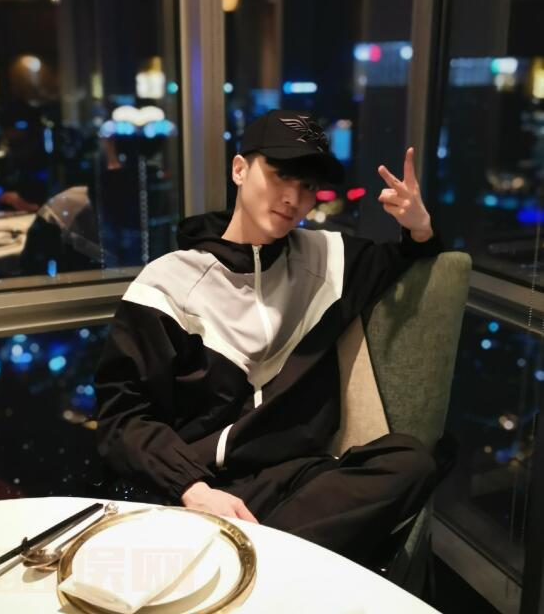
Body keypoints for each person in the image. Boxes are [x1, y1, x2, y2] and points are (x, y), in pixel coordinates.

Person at [94, 109, 444, 568]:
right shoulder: (168, 283)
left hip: (300, 480)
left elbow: (405, 256)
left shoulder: (327, 259)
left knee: (412, 461)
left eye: (307, 186)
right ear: (240, 169)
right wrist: (192, 488)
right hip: (204, 485)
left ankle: (247, 561)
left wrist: (419, 225)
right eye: (281, 174)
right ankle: (266, 563)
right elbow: (122, 416)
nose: (293, 198)